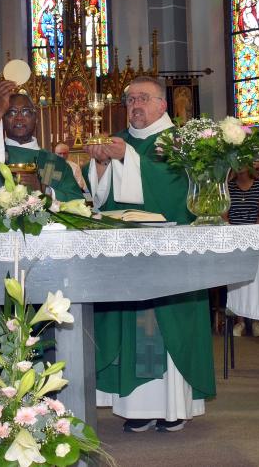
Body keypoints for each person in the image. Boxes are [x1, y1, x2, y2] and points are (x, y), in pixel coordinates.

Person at [86, 76, 213, 433]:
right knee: (133, 323)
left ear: (162, 105)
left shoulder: (179, 141)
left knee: (166, 322)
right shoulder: (119, 141)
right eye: (129, 100)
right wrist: (99, 166)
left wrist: (126, 157)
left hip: (170, 253)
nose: (135, 106)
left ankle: (174, 407)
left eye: (143, 98)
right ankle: (137, 406)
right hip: (128, 254)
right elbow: (100, 199)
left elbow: (174, 190)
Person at [0, 80, 83, 201]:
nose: (19, 118)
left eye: (26, 112)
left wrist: (44, 190)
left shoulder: (53, 163)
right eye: (11, 112)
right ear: (2, 119)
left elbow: (77, 202)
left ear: (36, 119)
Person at [223, 164, 259, 336]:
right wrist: (233, 234)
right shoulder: (229, 186)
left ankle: (256, 321)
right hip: (234, 237)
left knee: (255, 278)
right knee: (236, 281)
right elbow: (224, 213)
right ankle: (240, 321)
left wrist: (254, 236)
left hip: (254, 236)